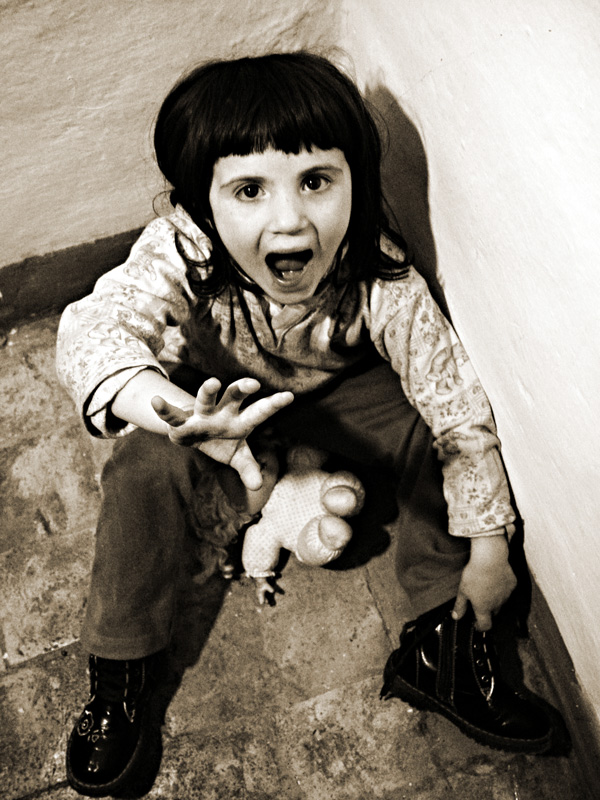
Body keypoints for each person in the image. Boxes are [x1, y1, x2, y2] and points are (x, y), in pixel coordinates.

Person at [56, 51, 554, 797]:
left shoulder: (382, 276)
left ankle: (440, 647)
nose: (289, 219)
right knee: (139, 467)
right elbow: (94, 328)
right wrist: (181, 414)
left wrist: (489, 547)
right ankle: (120, 670)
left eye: (316, 181)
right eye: (249, 190)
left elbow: (455, 408)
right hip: (219, 403)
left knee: (426, 431)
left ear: (357, 180)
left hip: (339, 402)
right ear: (200, 207)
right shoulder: (182, 249)